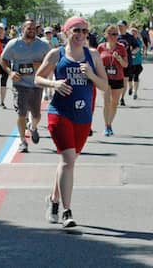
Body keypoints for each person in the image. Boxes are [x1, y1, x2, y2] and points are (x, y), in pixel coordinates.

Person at [35, 16, 108, 228]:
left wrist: (92, 75)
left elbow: (104, 86)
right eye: (76, 30)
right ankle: (67, 211)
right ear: (67, 32)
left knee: (68, 162)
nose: (81, 35)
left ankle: (53, 199)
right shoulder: (56, 54)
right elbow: (38, 78)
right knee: (67, 160)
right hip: (59, 113)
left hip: (83, 116)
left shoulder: (92, 56)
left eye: (85, 31)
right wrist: (54, 83)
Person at [1, 19, 50, 152]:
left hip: (36, 83)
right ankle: (23, 141)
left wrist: (41, 66)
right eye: (29, 28)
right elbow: (3, 59)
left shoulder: (43, 45)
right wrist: (10, 72)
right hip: (20, 83)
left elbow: (51, 61)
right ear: (22, 29)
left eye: (34, 29)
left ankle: (33, 127)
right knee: (21, 113)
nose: (32, 31)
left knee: (36, 115)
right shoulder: (14, 44)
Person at [97, 25, 128, 136]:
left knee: (114, 103)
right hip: (104, 79)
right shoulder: (100, 47)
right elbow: (96, 62)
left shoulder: (121, 47)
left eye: (115, 34)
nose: (113, 36)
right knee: (106, 102)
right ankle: (106, 126)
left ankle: (110, 124)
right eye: (110, 33)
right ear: (105, 35)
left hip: (117, 78)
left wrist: (119, 59)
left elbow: (125, 65)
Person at [117, 20, 139, 106]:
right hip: (116, 62)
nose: (120, 27)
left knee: (124, 81)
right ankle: (116, 97)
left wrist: (132, 52)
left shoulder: (130, 37)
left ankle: (122, 98)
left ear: (126, 27)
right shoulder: (115, 36)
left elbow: (137, 46)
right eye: (119, 26)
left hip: (127, 62)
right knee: (116, 81)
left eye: (121, 26)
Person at [0, 22, 10, 109]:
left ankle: (2, 102)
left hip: (5, 63)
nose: (0, 31)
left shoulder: (8, 41)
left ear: (4, 30)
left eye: (2, 29)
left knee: (4, 83)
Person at [129, 27, 144, 99]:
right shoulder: (128, 41)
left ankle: (135, 92)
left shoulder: (139, 41)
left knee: (136, 77)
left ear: (137, 34)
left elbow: (137, 49)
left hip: (137, 62)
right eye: (132, 33)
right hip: (130, 63)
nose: (133, 34)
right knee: (130, 78)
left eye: (135, 33)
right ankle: (131, 87)